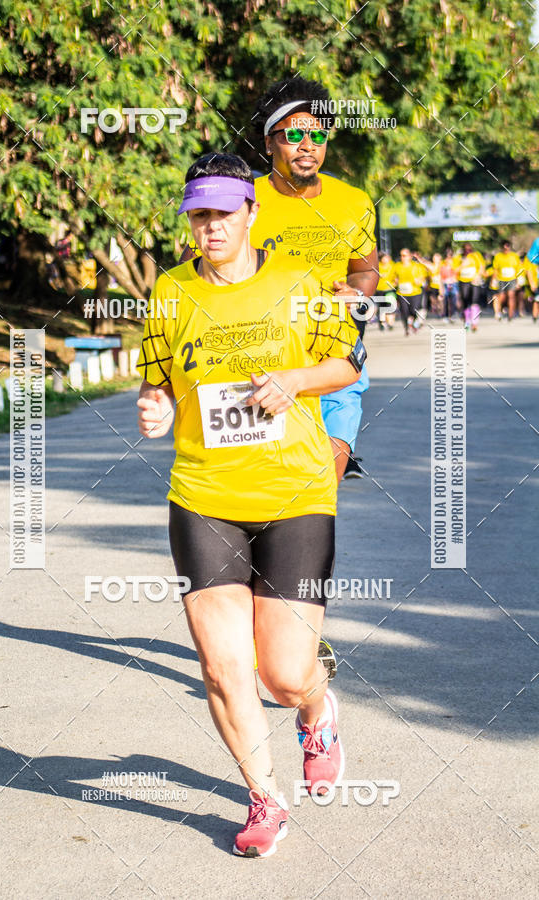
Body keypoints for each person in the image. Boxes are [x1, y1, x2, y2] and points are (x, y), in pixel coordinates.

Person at [137, 152, 365, 858]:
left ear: (251, 213)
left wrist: (295, 379)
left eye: (222, 215)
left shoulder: (299, 284)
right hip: (204, 497)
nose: (209, 228)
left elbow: (347, 365)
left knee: (283, 672)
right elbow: (160, 383)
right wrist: (153, 406)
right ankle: (265, 798)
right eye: (198, 216)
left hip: (296, 495)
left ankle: (316, 709)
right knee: (222, 666)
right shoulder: (169, 294)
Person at [249, 77, 379, 483]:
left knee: (322, 485)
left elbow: (365, 269)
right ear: (269, 142)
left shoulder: (353, 202)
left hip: (334, 359)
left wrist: (358, 293)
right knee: (268, 487)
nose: (308, 145)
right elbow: (195, 272)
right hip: (264, 362)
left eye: (318, 134)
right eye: (294, 135)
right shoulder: (241, 200)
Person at [393, 248, 425, 334]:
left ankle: (413, 322)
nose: (402, 257)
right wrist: (395, 281)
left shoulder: (416, 266)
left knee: (413, 310)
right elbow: (394, 277)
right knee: (404, 311)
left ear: (410, 256)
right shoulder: (397, 266)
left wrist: (419, 281)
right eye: (401, 255)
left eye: (404, 255)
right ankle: (406, 328)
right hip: (402, 293)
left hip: (415, 292)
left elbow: (422, 277)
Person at [456, 242, 485, 331]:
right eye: (466, 250)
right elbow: (455, 270)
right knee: (465, 301)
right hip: (463, 281)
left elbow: (481, 266)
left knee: (474, 302)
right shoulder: (459, 258)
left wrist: (477, 276)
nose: (468, 252)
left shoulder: (476, 255)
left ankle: (475, 323)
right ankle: (467, 321)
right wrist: (462, 264)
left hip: (474, 281)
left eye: (470, 250)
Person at [492, 240, 520, 321]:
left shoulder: (514, 256)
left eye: (508, 246)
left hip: (512, 279)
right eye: (504, 246)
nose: (506, 248)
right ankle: (500, 311)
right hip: (501, 279)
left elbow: (518, 269)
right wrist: (494, 280)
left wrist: (519, 281)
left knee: (511, 296)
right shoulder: (498, 256)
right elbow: (495, 269)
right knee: (502, 297)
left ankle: (511, 314)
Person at [414, 251, 443, 318]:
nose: (436, 260)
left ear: (440, 259)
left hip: (441, 286)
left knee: (440, 299)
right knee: (433, 299)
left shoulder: (442, 266)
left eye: (437, 258)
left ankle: (441, 312)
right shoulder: (431, 266)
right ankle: (436, 309)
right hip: (432, 286)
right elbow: (424, 262)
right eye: (434, 258)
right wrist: (418, 257)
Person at [377, 252, 397, 330]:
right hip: (379, 289)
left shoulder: (393, 265)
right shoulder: (377, 266)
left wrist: (396, 280)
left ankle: (390, 323)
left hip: (390, 289)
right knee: (382, 306)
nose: (386, 260)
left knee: (390, 305)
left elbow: (397, 274)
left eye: (387, 258)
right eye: (384, 258)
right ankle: (382, 323)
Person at [440, 247, 459, 321]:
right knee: (446, 300)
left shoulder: (455, 262)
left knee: (454, 300)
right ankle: (446, 315)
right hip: (445, 283)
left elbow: (457, 271)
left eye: (451, 254)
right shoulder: (443, 263)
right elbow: (441, 274)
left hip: (454, 283)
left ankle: (453, 314)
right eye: (448, 254)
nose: (449, 256)